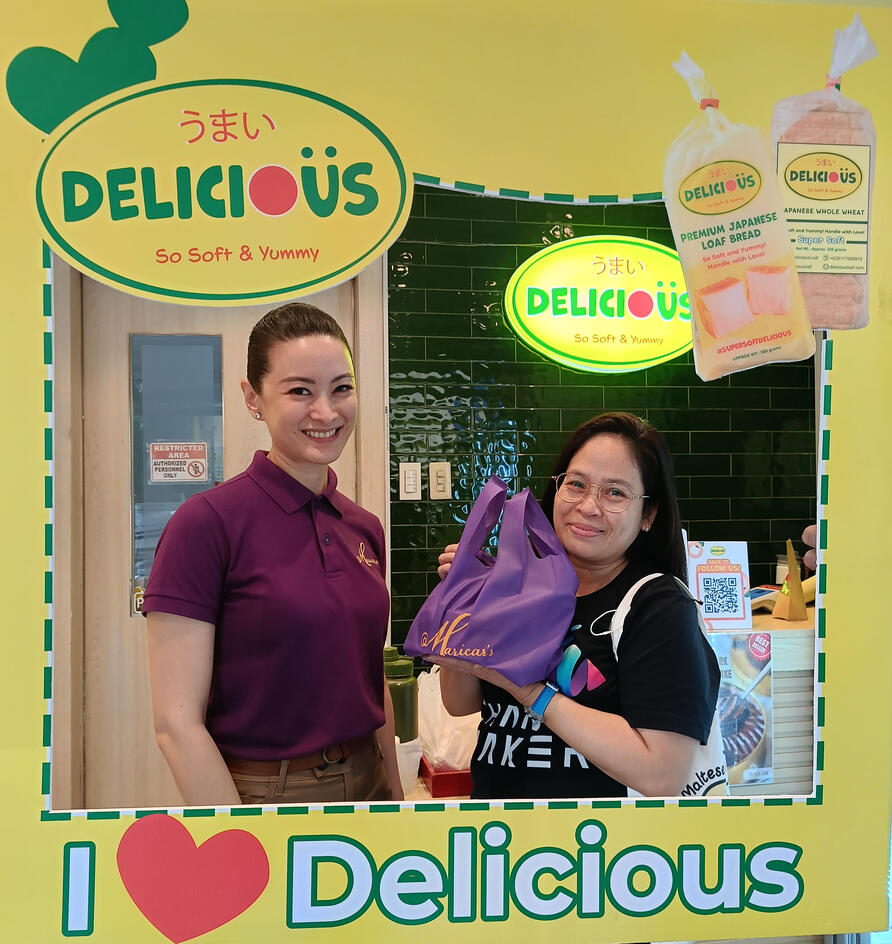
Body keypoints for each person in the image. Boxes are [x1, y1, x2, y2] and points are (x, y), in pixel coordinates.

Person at [143, 302, 402, 806]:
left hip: (369, 779)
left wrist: (394, 793)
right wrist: (237, 837)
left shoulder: (363, 527)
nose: (326, 412)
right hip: (266, 794)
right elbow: (176, 724)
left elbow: (372, 681)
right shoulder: (206, 523)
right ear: (253, 397)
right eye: (299, 390)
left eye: (341, 388)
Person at [433, 412, 720, 800]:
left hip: (598, 849)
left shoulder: (659, 607)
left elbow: (661, 774)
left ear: (648, 516)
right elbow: (458, 702)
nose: (588, 506)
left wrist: (532, 692)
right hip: (499, 840)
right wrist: (464, 605)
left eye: (615, 493)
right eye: (577, 484)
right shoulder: (520, 584)